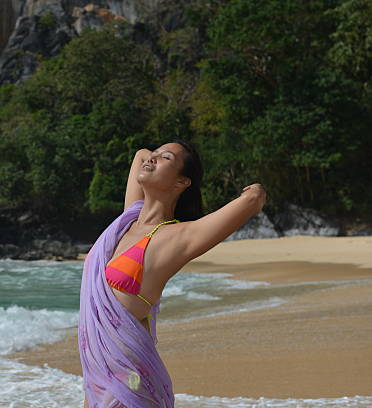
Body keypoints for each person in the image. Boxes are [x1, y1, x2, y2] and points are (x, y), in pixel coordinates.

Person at [78, 139, 267, 407]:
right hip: (98, 378)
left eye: (164, 158)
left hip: (132, 381)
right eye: (154, 155)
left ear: (182, 182)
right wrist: (161, 155)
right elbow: (140, 154)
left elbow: (250, 201)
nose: (151, 159)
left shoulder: (177, 237)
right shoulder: (127, 220)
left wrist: (256, 193)